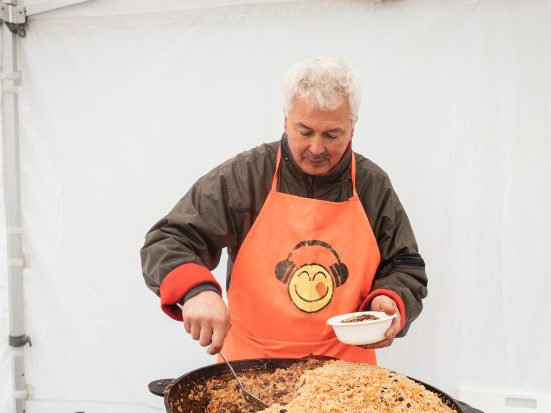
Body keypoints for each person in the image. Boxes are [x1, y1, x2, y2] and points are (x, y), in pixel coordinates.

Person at [140, 57, 427, 365]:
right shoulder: (246, 175)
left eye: (332, 135)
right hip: (250, 371)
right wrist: (196, 291)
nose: (317, 148)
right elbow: (168, 240)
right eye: (305, 131)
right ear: (286, 121)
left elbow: (405, 267)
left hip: (347, 376)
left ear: (353, 129)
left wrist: (390, 301)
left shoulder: (372, 185)